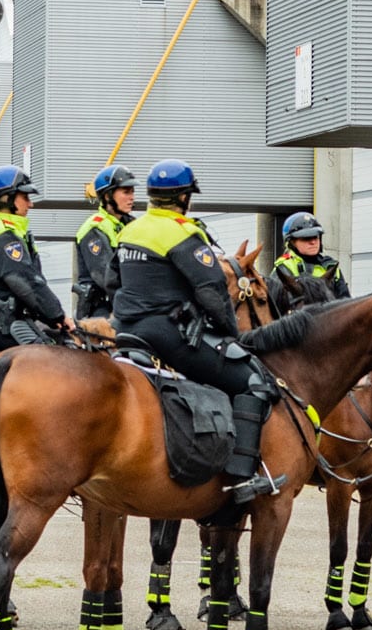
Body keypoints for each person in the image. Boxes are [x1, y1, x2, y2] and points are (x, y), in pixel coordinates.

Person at [113, 160, 281, 504]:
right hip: (168, 336)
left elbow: (112, 280)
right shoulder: (184, 232)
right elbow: (212, 292)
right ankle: (241, 478)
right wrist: (231, 336)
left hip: (124, 330)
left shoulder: (129, 230)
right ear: (184, 197)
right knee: (254, 381)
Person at [0, 164, 73, 351]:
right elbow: (26, 283)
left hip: (15, 320)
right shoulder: (1, 234)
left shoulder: (9, 231)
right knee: (50, 363)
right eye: (25, 197)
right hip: (6, 325)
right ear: (6, 199)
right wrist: (58, 316)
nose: (30, 203)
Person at [72, 164, 137, 321]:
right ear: (108, 196)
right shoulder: (94, 228)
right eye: (126, 192)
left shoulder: (132, 225)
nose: (132, 197)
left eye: (133, 192)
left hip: (124, 301)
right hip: (100, 308)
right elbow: (105, 277)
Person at [273, 212, 351, 307]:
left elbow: (345, 302)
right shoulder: (283, 268)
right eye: (306, 238)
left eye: (315, 237)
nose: (313, 242)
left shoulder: (331, 266)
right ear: (291, 242)